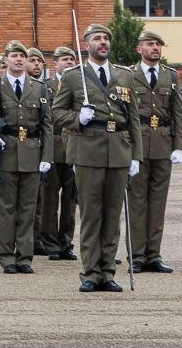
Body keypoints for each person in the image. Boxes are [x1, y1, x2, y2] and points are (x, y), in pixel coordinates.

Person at [51, 23, 143, 292]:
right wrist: (78, 118)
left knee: (113, 216)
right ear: (87, 44)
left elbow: (133, 118)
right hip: (88, 149)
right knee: (92, 214)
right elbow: (57, 114)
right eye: (97, 39)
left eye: (105, 39)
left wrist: (136, 154)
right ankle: (90, 272)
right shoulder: (73, 76)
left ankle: (108, 272)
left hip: (118, 150)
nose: (102, 43)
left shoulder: (124, 75)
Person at [0, 41, 53, 275]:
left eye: (22, 56)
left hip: (31, 154)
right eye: (14, 56)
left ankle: (24, 256)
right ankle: (6, 256)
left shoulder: (39, 88)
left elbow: (47, 124)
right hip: (5, 154)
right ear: (5, 59)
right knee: (6, 208)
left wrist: (47, 155)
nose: (18, 59)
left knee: (27, 208)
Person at [129, 30, 182, 274]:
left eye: (158, 44)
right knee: (138, 202)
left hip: (162, 143)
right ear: (140, 48)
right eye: (150, 44)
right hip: (138, 144)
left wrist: (178, 146)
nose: (155, 48)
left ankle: (154, 255)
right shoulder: (130, 75)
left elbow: (178, 113)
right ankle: (137, 255)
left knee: (158, 203)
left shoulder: (170, 76)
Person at [40, 46, 79, 261]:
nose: (68, 63)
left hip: (72, 146)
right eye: (64, 60)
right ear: (55, 64)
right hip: (53, 146)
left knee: (70, 200)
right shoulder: (46, 87)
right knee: (50, 199)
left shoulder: (79, 87)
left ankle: (66, 241)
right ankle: (50, 242)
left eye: (71, 60)